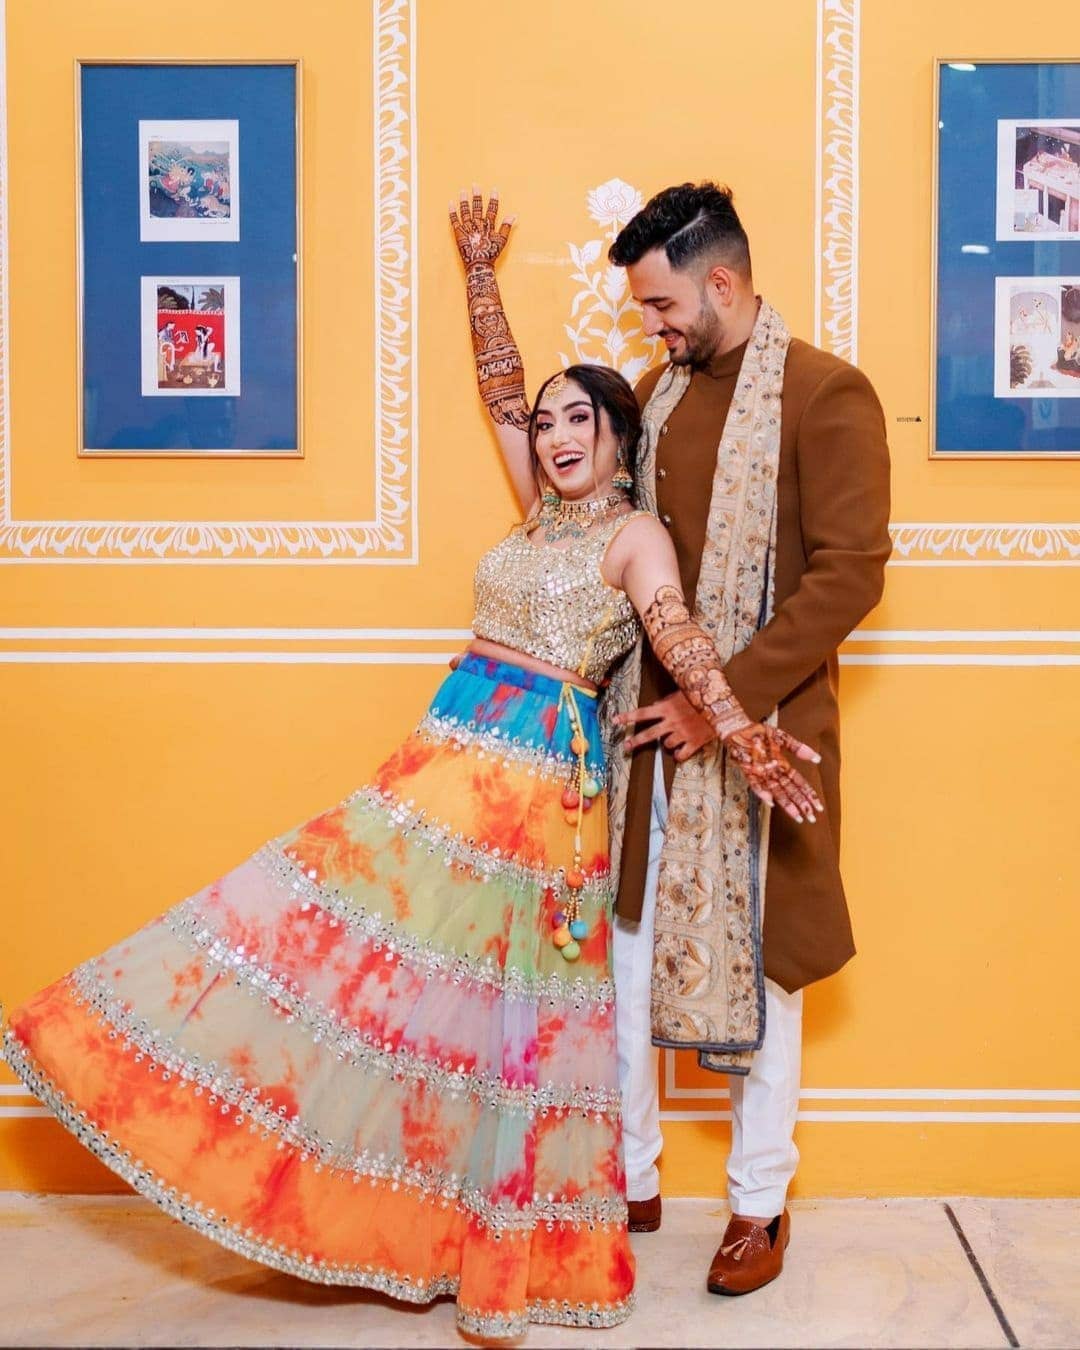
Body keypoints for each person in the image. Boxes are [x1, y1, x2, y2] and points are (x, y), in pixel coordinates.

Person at [4, 188, 822, 1343]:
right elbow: (499, 385)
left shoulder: (632, 536)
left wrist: (738, 727)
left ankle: (498, 1255)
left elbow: (680, 637)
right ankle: (377, 1208)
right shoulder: (540, 511)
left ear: (618, 435)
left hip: (536, 784)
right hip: (445, 752)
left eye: (578, 415)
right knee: (348, 956)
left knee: (506, 1017)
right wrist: (477, 271)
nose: (553, 432)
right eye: (544, 422)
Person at [604, 182, 892, 1296]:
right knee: (627, 955)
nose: (654, 328)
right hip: (648, 730)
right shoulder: (658, 394)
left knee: (766, 974)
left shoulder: (824, 393)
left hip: (769, 734)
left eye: (664, 304)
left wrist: (719, 699)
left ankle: (758, 1205)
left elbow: (849, 573)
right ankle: (629, 1179)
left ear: (721, 282)